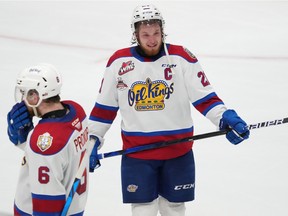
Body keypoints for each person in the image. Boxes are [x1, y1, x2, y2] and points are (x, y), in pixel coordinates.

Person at [88, 4, 250, 216]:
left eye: (156, 33)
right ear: (135, 34)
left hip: (178, 152)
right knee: (142, 211)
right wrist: (92, 139)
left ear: (162, 30)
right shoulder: (119, 62)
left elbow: (205, 97)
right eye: (145, 34)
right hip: (138, 155)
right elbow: (104, 108)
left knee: (173, 209)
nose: (152, 39)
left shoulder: (181, 57)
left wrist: (224, 117)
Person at [7, 63, 89, 216]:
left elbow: (46, 203)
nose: (22, 100)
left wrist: (32, 140)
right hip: (75, 209)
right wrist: (25, 141)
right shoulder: (77, 111)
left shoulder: (44, 144)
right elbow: (61, 157)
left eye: (26, 94)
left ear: (35, 96)